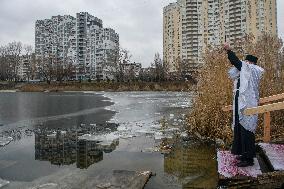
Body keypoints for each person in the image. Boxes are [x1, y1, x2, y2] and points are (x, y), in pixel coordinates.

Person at [223, 43, 264, 167]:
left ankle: (249, 159)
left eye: (246, 61)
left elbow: (236, 62)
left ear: (250, 63)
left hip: (248, 105)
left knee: (247, 131)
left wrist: (229, 50)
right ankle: (243, 154)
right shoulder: (247, 71)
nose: (244, 63)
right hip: (242, 104)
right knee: (240, 129)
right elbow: (237, 69)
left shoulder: (252, 70)